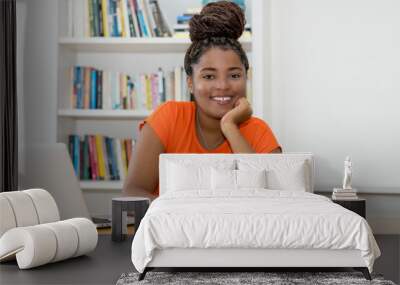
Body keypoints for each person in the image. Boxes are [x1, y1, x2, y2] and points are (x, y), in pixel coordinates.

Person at [122, 1, 281, 201]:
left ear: (246, 78)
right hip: (173, 229)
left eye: (234, 75)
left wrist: (229, 126)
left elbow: (272, 201)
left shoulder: (259, 132)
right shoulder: (169, 117)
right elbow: (132, 192)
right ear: (190, 82)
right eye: (208, 76)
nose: (222, 86)